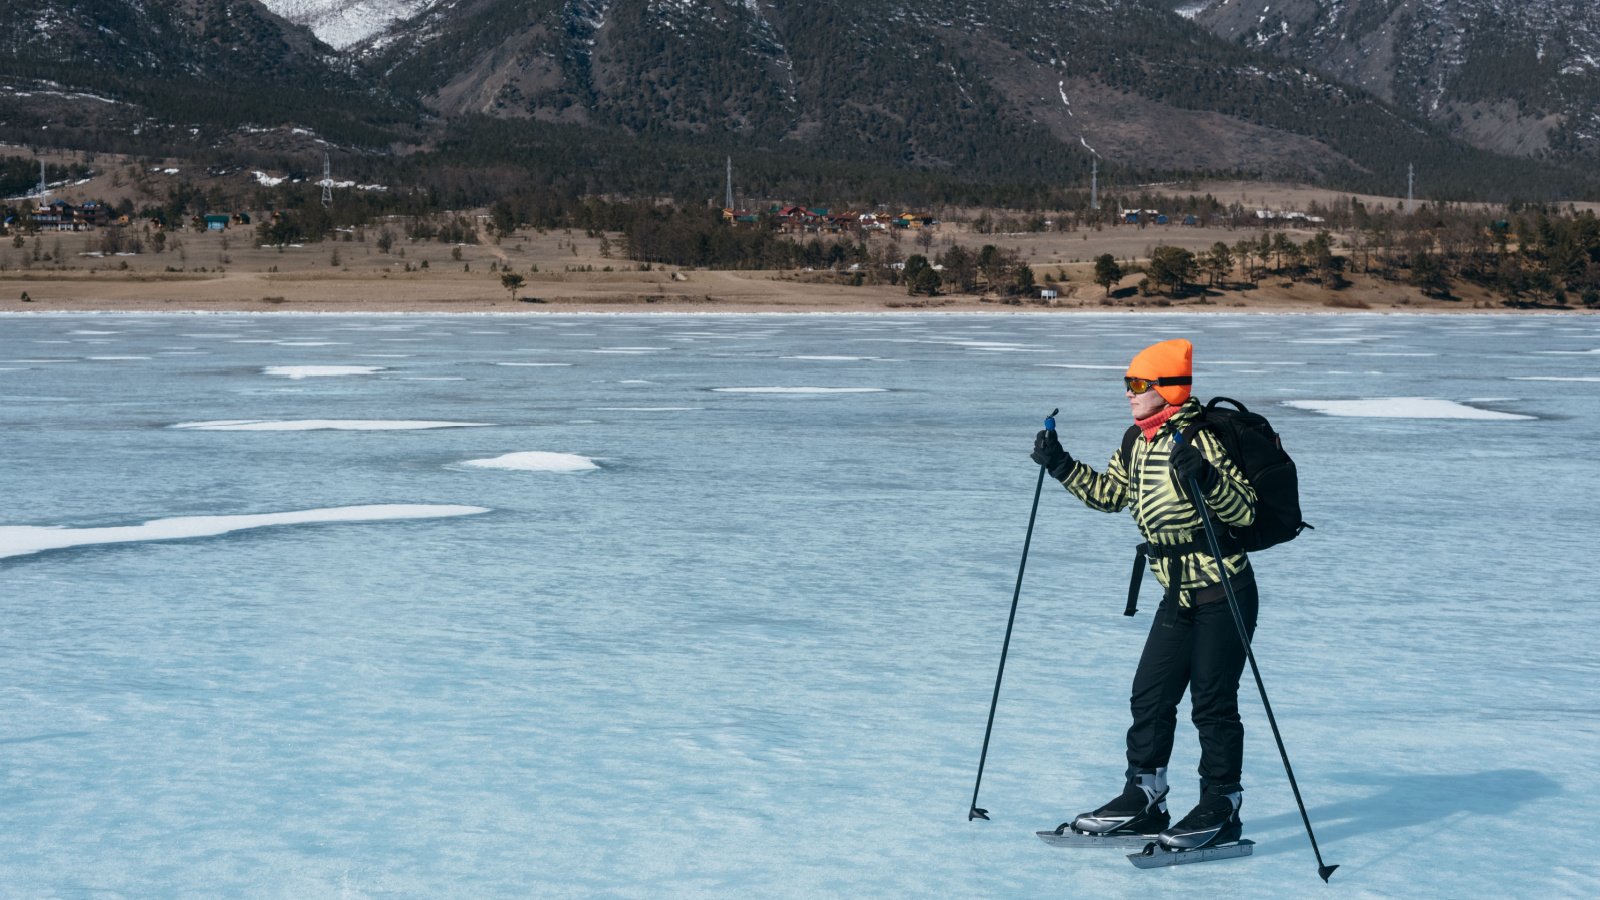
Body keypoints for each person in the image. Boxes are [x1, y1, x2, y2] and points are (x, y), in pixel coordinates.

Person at [1029, 338, 1258, 851]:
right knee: (1150, 696)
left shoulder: (1199, 439)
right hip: (1175, 595)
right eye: (1128, 384)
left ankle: (1222, 806)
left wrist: (1208, 479)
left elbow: (1245, 512)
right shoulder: (1139, 440)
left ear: (1168, 389)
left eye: (1138, 384)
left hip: (1224, 590)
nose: (1129, 394)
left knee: (1212, 704)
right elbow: (1111, 495)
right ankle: (1145, 798)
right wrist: (1060, 464)